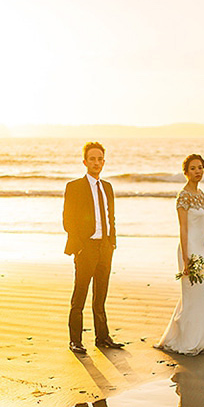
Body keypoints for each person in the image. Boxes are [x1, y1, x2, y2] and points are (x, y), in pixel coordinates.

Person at [63, 141, 124, 354]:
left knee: (100, 296)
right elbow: (68, 220)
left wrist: (112, 242)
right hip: (86, 248)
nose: (96, 163)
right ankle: (75, 341)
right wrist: (80, 247)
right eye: (92, 159)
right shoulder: (74, 187)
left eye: (100, 159)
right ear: (85, 162)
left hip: (105, 248)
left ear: (104, 162)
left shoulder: (107, 187)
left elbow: (111, 217)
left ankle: (102, 337)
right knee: (79, 295)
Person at [156, 154, 204, 355]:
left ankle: (202, 339)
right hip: (189, 249)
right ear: (185, 172)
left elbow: (202, 229)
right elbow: (183, 229)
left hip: (200, 248)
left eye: (200, 167)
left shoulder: (201, 195)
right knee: (191, 294)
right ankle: (187, 341)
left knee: (200, 296)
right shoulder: (182, 196)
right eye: (193, 168)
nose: (197, 171)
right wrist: (185, 258)